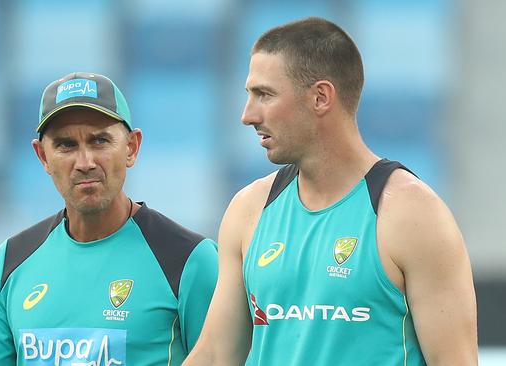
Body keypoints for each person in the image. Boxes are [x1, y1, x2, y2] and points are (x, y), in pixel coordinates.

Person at [184, 17, 477, 366]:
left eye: (264, 94)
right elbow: (217, 355)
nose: (248, 115)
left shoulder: (411, 213)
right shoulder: (249, 208)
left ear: (321, 97)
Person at [0, 72, 218, 365]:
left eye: (100, 141)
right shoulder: (11, 262)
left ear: (131, 147)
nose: (85, 163)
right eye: (66, 145)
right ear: (43, 156)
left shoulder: (189, 260)